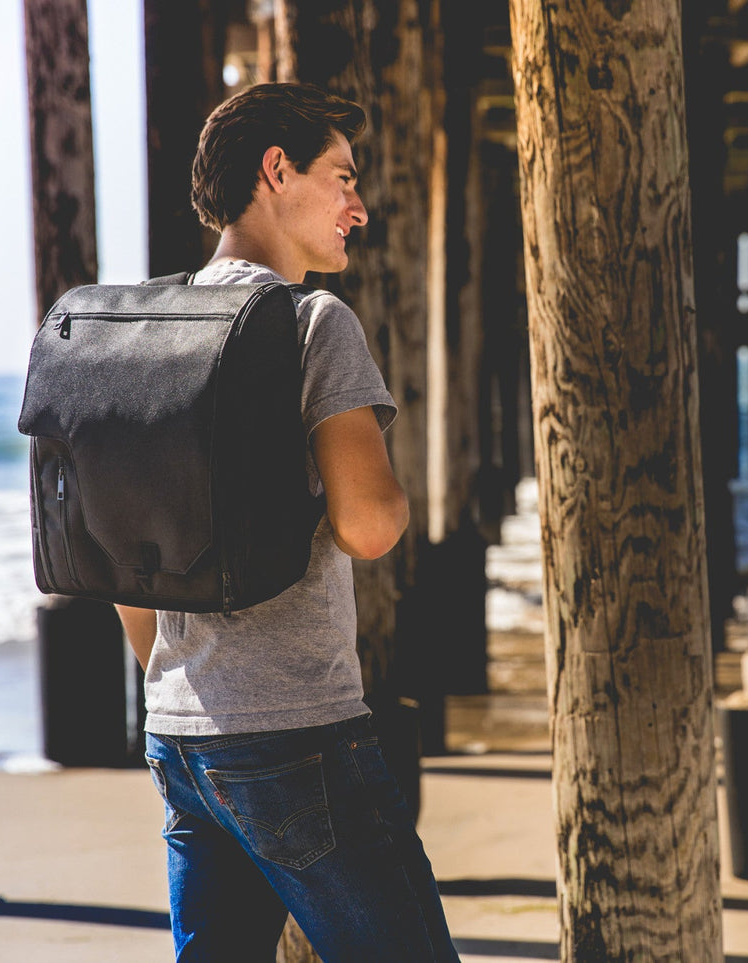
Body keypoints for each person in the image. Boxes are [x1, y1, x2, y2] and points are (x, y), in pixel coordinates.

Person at [114, 82, 460, 962]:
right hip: (297, 727)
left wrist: (178, 677)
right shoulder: (310, 322)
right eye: (341, 178)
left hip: (180, 734)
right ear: (277, 170)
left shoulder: (150, 329)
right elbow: (369, 525)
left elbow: (122, 557)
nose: (359, 205)